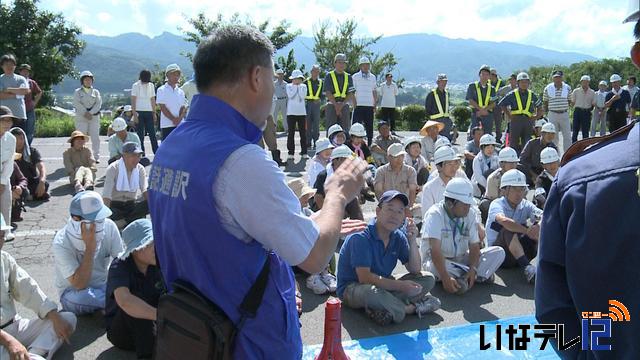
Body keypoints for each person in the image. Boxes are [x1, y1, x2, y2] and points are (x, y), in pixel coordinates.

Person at [147, 26, 367, 358]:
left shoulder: (172, 146)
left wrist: (318, 220)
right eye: (273, 77)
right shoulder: (242, 160)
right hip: (249, 343)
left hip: (193, 334)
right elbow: (316, 256)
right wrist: (337, 194)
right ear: (256, 78)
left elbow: (220, 231)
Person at [337, 190, 440, 325]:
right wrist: (401, 286)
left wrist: (412, 240)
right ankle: (410, 308)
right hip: (354, 287)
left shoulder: (398, 236)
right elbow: (365, 278)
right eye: (390, 209)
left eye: (399, 211)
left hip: (382, 284)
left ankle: (384, 308)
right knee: (371, 293)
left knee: (428, 278)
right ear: (378, 211)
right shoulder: (361, 237)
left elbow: (415, 269)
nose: (394, 215)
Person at [0, 214, 77, 360]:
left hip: (15, 326)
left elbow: (28, 289)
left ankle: (33, 354)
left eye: (1, 235)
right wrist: (9, 341)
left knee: (67, 319)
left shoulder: (4, 259)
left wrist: (54, 316)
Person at [422, 179, 505, 295]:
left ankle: (467, 276)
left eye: (469, 204)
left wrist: (473, 268)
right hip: (440, 260)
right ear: (450, 203)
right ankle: (477, 276)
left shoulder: (470, 213)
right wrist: (445, 277)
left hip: (461, 258)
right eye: (465, 204)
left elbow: (474, 246)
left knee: (499, 252)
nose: (468, 207)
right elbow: (434, 250)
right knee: (433, 268)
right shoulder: (435, 214)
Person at [53, 191, 124, 315]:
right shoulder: (61, 242)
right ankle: (119, 303)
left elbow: (121, 260)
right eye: (94, 219)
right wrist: (90, 248)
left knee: (126, 286)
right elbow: (79, 284)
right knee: (80, 299)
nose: (100, 222)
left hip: (103, 285)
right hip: (74, 292)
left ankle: (111, 303)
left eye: (101, 218)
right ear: (76, 219)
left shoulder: (109, 226)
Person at [106, 219, 164, 359]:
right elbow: (125, 301)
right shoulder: (119, 266)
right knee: (135, 306)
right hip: (123, 333)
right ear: (136, 249)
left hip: (156, 326)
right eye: (151, 244)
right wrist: (162, 316)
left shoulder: (158, 262)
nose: (157, 248)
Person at [485, 169, 543, 283]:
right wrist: (527, 231)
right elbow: (504, 221)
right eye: (515, 189)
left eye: (522, 189)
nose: (519, 193)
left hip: (520, 253)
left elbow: (544, 215)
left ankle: (545, 265)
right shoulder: (496, 204)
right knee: (507, 228)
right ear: (505, 190)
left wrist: (538, 226)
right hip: (501, 257)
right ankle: (528, 268)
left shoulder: (525, 204)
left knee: (541, 226)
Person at [287, 178, 338, 295]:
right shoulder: (289, 215)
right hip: (297, 259)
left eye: (307, 195)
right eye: (303, 195)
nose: (307, 198)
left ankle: (325, 272)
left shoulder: (306, 212)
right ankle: (312, 276)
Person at [103, 142, 149, 228]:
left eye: (138, 156)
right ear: (124, 156)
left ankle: (124, 222)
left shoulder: (140, 169)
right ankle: (130, 221)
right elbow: (106, 195)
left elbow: (145, 189)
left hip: (131, 204)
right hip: (115, 205)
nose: (137, 159)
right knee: (111, 213)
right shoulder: (113, 168)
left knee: (149, 203)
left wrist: (152, 206)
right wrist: (106, 218)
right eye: (133, 155)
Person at [499, 72, 543, 154]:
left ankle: (525, 162)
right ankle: (512, 160)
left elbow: (540, 107)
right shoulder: (512, 94)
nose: (524, 84)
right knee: (513, 143)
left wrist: (535, 117)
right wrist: (509, 115)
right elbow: (502, 104)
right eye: (522, 82)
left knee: (527, 142)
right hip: (516, 121)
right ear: (518, 83)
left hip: (528, 121)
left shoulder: (532, 94)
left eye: (526, 82)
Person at [479, 147, 519, 224]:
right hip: (499, 204)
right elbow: (494, 200)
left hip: (515, 204)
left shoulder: (519, 175)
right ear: (501, 164)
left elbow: (524, 194)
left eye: (515, 163)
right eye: (510, 163)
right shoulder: (493, 178)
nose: (513, 165)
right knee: (485, 204)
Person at [421, 145, 463, 217]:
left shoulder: (460, 185)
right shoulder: (429, 188)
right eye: (449, 164)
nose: (453, 167)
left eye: (455, 163)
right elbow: (427, 216)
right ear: (439, 167)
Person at [373, 143, 418, 209]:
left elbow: (412, 190)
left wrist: (409, 207)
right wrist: (383, 206)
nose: (400, 159)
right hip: (387, 203)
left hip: (405, 204)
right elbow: (378, 190)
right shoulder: (381, 171)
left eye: (402, 156)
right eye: (396, 157)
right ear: (388, 157)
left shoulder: (410, 171)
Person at [11, 127, 49, 201]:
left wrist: (42, 181)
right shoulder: (6, 153)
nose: (19, 142)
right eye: (16, 139)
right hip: (16, 183)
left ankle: (27, 197)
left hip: (31, 182)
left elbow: (41, 168)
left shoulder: (32, 151)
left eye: (21, 139)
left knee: (45, 184)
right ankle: (32, 197)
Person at [72, 70, 102, 162]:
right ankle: (82, 156)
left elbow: (98, 104)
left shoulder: (96, 92)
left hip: (94, 118)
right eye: (86, 80)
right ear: (82, 81)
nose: (88, 81)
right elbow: (76, 103)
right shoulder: (77, 92)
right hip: (81, 118)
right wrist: (85, 113)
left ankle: (96, 157)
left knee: (95, 138)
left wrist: (91, 113)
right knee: (81, 138)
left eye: (89, 79)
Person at [324, 53, 355, 133]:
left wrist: (342, 105)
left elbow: (351, 93)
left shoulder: (348, 77)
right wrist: (336, 105)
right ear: (335, 63)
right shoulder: (329, 76)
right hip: (331, 105)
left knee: (345, 129)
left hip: (344, 105)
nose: (342, 65)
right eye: (339, 62)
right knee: (331, 129)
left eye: (343, 63)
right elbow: (327, 92)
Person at [131, 69, 159, 156]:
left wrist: (154, 113)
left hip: (149, 111)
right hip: (139, 111)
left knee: (152, 134)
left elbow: (152, 99)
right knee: (140, 134)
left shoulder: (151, 85)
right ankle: (141, 153)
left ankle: (156, 152)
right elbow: (133, 100)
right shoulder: (135, 85)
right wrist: (134, 114)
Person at [543, 70, 572, 153]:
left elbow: (569, 100)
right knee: (553, 136)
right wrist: (546, 113)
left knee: (567, 136)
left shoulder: (567, 88)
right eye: (555, 77)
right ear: (553, 78)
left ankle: (567, 155)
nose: (557, 79)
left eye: (559, 77)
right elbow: (545, 102)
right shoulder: (548, 88)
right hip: (552, 114)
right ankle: (555, 154)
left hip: (564, 113)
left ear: (562, 78)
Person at [352, 56, 378, 146]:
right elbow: (352, 91)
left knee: (369, 127)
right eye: (364, 65)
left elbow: (374, 90)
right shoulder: (355, 77)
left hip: (369, 106)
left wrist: (375, 103)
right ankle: (354, 145)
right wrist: (354, 104)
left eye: (367, 65)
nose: (366, 67)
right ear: (360, 66)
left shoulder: (373, 77)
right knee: (356, 127)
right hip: (358, 106)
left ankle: (369, 145)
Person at [156, 64, 186, 140]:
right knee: (167, 149)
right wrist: (173, 119)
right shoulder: (161, 90)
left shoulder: (181, 92)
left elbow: (183, 107)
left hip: (180, 125)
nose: (176, 77)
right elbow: (163, 107)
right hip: (167, 125)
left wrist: (179, 119)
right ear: (167, 75)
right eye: (173, 74)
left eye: (178, 75)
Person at [0, 54, 29, 132]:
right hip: (3, 117)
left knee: (20, 140)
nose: (9, 66)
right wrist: (17, 94)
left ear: (15, 66)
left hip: (19, 115)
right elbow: (1, 95)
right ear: (2, 66)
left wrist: (8, 89)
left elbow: (25, 91)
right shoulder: (0, 79)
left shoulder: (21, 79)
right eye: (6, 64)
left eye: (11, 64)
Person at [0, 107, 16, 241]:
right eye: (3, 120)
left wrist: (2, 181)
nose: (7, 123)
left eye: (9, 120)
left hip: (3, 174)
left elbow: (10, 161)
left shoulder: (11, 138)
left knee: (5, 202)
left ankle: (5, 232)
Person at [466, 65, 496, 135]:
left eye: (487, 74)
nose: (484, 76)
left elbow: (493, 103)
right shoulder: (472, 86)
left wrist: (484, 110)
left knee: (487, 134)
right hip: (476, 113)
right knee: (474, 134)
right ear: (479, 75)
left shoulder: (492, 89)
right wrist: (480, 110)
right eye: (483, 74)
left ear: (489, 76)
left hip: (487, 113)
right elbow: (470, 100)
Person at [17, 64, 42, 144]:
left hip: (29, 109)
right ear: (20, 72)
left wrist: (34, 103)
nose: (25, 73)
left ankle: (28, 148)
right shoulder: (15, 81)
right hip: (17, 110)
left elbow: (39, 92)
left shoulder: (31, 82)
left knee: (30, 131)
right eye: (23, 71)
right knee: (18, 131)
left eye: (27, 71)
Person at [285, 69, 308, 158]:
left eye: (299, 78)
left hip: (302, 113)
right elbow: (291, 95)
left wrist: (299, 87)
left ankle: (304, 152)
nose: (297, 80)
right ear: (292, 79)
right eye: (295, 78)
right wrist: (295, 87)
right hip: (291, 113)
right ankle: (291, 153)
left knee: (303, 133)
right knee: (291, 133)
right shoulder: (288, 86)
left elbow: (303, 96)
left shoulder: (304, 86)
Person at [425, 74, 453, 140]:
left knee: (445, 139)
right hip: (435, 121)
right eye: (442, 81)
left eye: (445, 81)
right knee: (435, 140)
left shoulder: (447, 94)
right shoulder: (431, 94)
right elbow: (427, 109)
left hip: (446, 121)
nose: (444, 83)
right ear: (437, 82)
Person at [570, 75, 595, 143]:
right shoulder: (576, 91)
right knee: (575, 131)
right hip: (578, 111)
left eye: (586, 82)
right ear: (581, 82)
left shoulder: (592, 92)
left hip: (587, 112)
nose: (585, 83)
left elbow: (593, 104)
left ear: (588, 82)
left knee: (585, 132)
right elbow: (572, 103)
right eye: (583, 82)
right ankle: (573, 146)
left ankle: (585, 147)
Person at [305, 65, 323, 149]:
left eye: (317, 71)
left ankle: (316, 141)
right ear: (311, 72)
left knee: (316, 124)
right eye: (314, 71)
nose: (316, 73)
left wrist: (320, 99)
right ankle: (308, 141)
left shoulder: (321, 82)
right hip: (308, 104)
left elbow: (323, 94)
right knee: (308, 123)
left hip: (317, 105)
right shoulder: (306, 82)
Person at [490, 69, 504, 142]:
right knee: (489, 123)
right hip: (489, 105)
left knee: (498, 123)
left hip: (498, 106)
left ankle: (498, 138)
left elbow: (503, 94)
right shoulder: (488, 83)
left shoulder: (501, 83)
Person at [273, 68, 288, 133]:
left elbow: (287, 94)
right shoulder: (273, 84)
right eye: (279, 74)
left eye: (281, 74)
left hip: (283, 100)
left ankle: (286, 129)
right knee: (274, 116)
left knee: (285, 115)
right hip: (276, 100)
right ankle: (274, 129)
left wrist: (287, 102)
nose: (280, 76)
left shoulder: (286, 84)